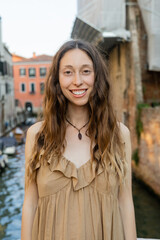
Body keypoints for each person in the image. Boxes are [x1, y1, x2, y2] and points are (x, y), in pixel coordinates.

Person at [21, 39, 137, 240]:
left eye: (85, 71)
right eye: (68, 72)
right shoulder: (37, 135)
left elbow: (125, 202)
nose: (77, 81)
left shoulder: (119, 135)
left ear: (97, 76)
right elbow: (30, 204)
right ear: (57, 80)